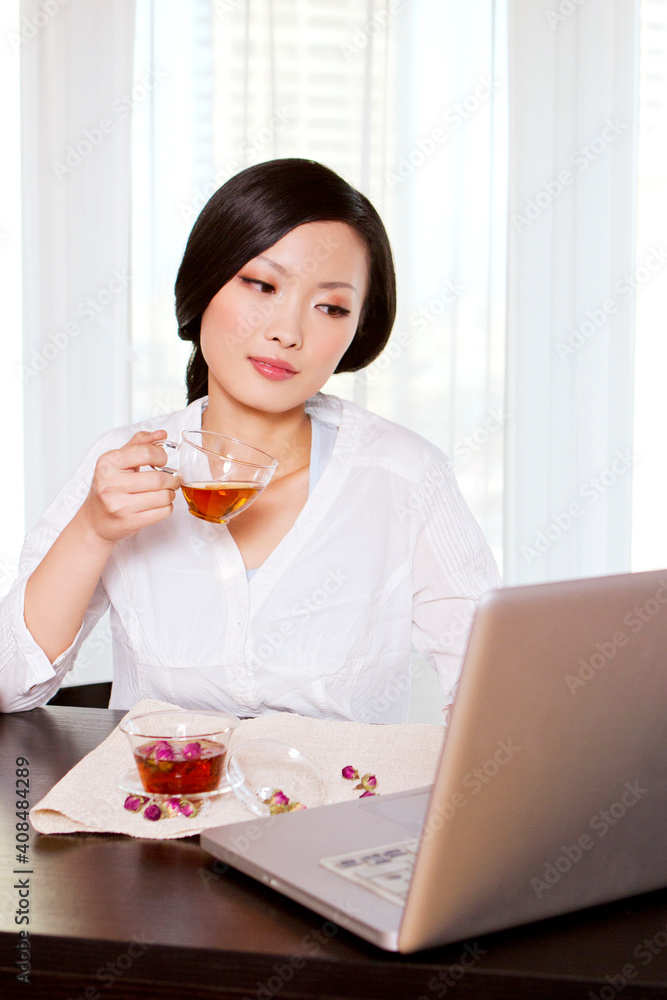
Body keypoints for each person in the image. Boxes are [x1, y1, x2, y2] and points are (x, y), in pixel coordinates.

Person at [0, 158, 500, 721]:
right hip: (159, 800)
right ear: (205, 283)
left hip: (344, 805)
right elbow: (10, 685)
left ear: (357, 329)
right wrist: (91, 530)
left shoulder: (403, 474)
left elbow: (497, 694)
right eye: (262, 285)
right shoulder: (124, 464)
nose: (288, 331)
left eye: (331, 307)